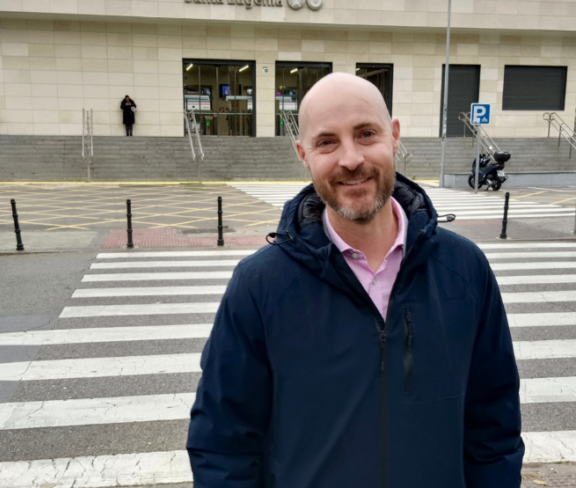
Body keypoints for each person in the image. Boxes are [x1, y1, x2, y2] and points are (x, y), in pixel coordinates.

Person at [187, 73, 524, 488]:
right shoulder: (259, 287)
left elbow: (494, 430)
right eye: (327, 141)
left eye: (366, 133)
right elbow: (223, 445)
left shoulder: (464, 271)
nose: (350, 159)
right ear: (303, 154)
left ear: (394, 136)